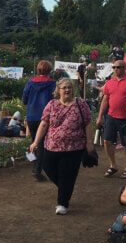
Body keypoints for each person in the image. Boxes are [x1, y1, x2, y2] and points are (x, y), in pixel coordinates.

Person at [29, 78, 94, 214]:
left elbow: (88, 123)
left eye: (69, 87)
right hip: (52, 146)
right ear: (58, 90)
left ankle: (62, 204)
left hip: (74, 147)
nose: (67, 90)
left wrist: (89, 143)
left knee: (67, 173)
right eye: (64, 87)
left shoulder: (80, 104)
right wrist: (35, 142)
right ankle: (65, 188)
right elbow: (44, 123)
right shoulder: (52, 104)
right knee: (48, 167)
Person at [22, 60, 56, 181]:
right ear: (49, 70)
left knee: (34, 141)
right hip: (45, 117)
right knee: (42, 144)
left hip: (31, 116)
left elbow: (24, 100)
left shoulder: (30, 83)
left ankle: (34, 164)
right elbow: (56, 99)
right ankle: (37, 170)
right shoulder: (52, 84)